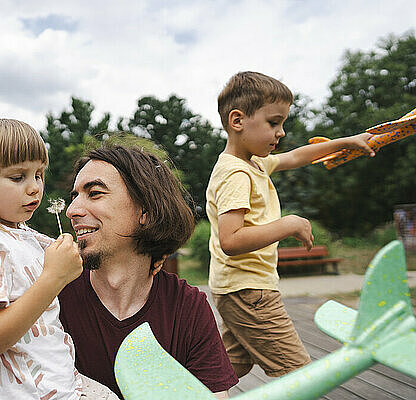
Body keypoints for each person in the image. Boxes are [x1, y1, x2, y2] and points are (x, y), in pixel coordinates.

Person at [206, 71, 375, 379]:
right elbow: (230, 240)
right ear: (237, 120)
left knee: (226, 369)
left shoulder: (254, 164)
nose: (281, 132)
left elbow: (297, 156)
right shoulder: (235, 174)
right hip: (249, 290)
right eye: (274, 122)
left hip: (240, 289)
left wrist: (345, 142)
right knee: (301, 378)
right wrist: (289, 224)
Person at [0, 117, 114, 399]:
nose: (34, 187)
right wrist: (53, 279)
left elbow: (83, 253)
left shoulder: (22, 236)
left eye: (38, 174)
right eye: (18, 177)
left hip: (57, 384)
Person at [60, 145, 238, 399]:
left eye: (95, 193)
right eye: (74, 196)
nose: (73, 210)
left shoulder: (187, 308)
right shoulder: (51, 299)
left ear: (145, 211)